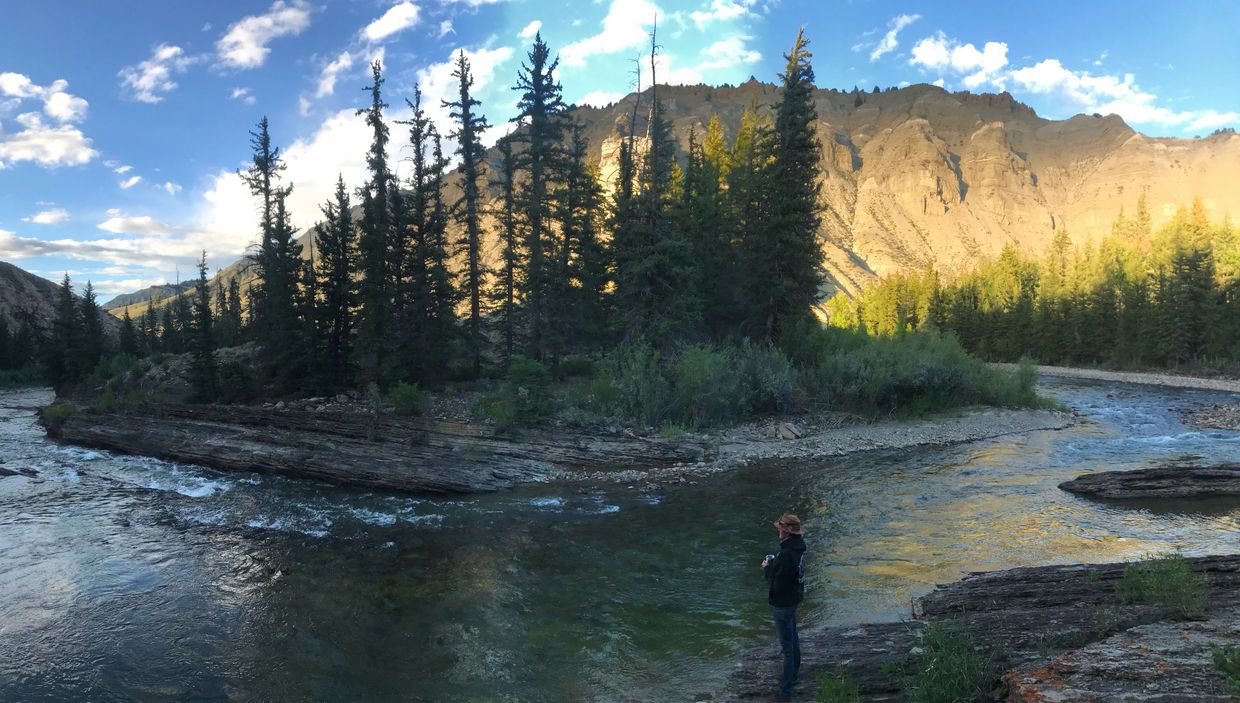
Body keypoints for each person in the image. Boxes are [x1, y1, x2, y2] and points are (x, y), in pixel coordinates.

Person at [762, 513, 806, 701]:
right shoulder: (798, 549)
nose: (778, 531)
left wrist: (767, 568)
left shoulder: (786, 554)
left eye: (780, 528)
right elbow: (790, 575)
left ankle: (785, 691)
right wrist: (775, 564)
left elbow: (778, 583)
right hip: (794, 599)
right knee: (793, 637)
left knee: (786, 647)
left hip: (783, 603)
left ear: (786, 532)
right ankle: (794, 674)